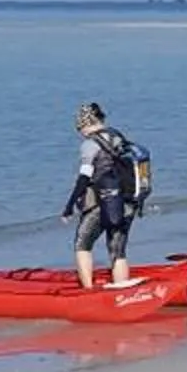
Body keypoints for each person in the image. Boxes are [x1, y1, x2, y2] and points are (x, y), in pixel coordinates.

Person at [61, 101, 142, 290]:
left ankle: (88, 291)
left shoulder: (90, 144)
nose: (80, 132)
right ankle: (122, 289)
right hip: (128, 200)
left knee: (82, 244)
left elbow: (84, 178)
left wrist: (69, 206)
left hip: (103, 201)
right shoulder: (118, 137)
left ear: (85, 124)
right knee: (118, 250)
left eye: (79, 127)